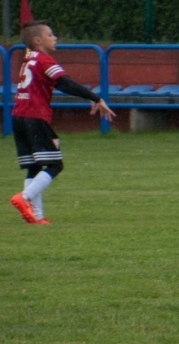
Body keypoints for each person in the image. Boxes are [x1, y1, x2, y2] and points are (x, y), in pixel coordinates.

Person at [10, 20, 116, 225]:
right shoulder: (44, 60)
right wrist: (95, 98)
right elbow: (65, 83)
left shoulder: (28, 57)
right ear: (38, 40)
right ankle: (24, 198)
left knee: (34, 166)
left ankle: (36, 217)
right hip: (35, 117)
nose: (55, 37)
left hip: (18, 117)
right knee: (55, 165)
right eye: (50, 34)